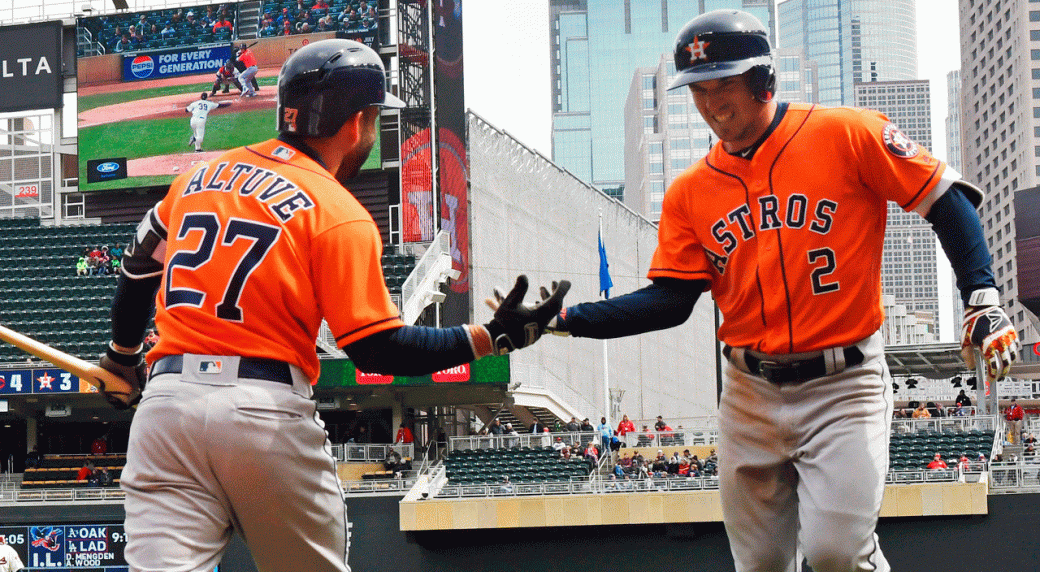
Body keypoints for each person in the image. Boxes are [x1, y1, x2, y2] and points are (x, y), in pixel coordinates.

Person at [536, 10, 1019, 572]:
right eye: (698, 91)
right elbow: (668, 302)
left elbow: (945, 197)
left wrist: (981, 297)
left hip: (845, 385)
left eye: (724, 86)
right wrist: (564, 319)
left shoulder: (845, 133)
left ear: (763, 80)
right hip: (750, 393)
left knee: (838, 555)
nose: (712, 105)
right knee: (761, 565)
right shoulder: (690, 193)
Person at [96, 39, 569, 572]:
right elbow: (375, 348)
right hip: (262, 411)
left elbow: (138, 271)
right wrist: (488, 337)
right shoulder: (338, 210)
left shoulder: (194, 180)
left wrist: (120, 356)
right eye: (373, 121)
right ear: (356, 122)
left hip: (167, 409)